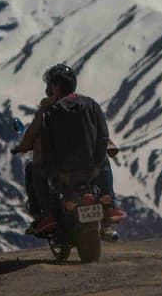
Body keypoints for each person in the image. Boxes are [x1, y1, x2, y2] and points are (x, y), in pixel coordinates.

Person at [13, 63, 124, 235]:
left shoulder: (50, 111)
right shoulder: (91, 104)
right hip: (91, 167)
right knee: (105, 161)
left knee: (34, 169)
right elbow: (102, 134)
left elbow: (46, 142)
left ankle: (47, 215)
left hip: (62, 170)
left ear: (53, 87)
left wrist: (52, 167)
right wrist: (98, 160)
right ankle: (110, 206)